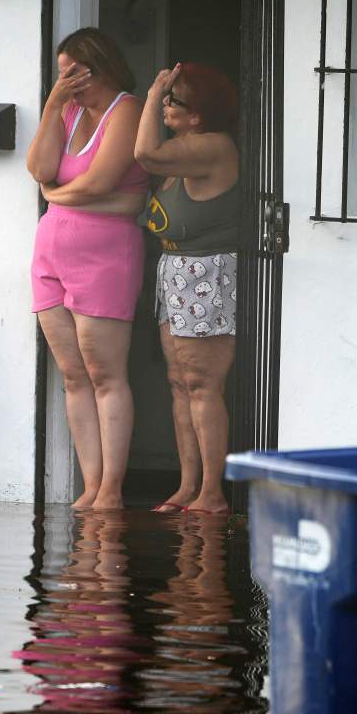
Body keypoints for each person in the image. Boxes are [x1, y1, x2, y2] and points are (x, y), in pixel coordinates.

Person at [26, 27, 149, 511]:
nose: (64, 80)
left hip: (105, 258)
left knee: (105, 374)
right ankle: (91, 485)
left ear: (94, 67)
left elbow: (99, 182)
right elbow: (39, 167)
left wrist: (56, 195)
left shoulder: (128, 109)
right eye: (60, 75)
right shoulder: (69, 110)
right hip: (51, 255)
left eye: (69, 73)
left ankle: (112, 490)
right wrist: (52, 106)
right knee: (72, 375)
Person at [134, 63, 240, 515]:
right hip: (174, 271)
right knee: (179, 383)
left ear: (197, 114)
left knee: (202, 383)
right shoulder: (184, 149)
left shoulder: (212, 147)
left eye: (173, 100)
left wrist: (150, 90)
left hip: (205, 272)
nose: (164, 104)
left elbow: (143, 154)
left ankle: (212, 493)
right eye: (165, 96)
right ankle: (187, 486)